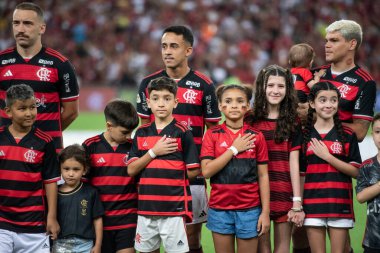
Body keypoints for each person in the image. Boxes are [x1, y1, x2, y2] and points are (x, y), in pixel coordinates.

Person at [136, 25, 221, 253]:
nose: (167, 51)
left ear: (188, 50)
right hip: (157, 174)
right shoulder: (148, 84)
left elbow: (213, 130)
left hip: (192, 171)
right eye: (164, 46)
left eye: (174, 46)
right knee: (151, 236)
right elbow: (144, 128)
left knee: (192, 239)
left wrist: (204, 164)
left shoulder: (204, 85)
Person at [127, 76, 201, 253]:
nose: (161, 103)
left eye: (167, 99)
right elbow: (131, 169)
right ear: (148, 102)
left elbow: (193, 171)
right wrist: (154, 152)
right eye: (155, 98)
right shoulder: (141, 133)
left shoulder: (182, 132)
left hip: (173, 209)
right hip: (146, 209)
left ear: (175, 102)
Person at [0, 2, 79, 152]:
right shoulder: (1, 62)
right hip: (7, 151)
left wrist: (43, 136)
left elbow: (71, 112)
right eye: (16, 23)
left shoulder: (61, 64)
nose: (20, 29)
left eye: (28, 23)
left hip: (47, 152)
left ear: (42, 28)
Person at [200, 84, 270, 253]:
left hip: (250, 210)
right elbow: (207, 171)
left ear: (247, 106)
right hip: (220, 210)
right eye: (228, 101)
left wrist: (265, 212)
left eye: (240, 101)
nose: (234, 105)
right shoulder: (212, 134)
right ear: (220, 106)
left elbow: (263, 176)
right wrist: (234, 149)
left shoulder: (256, 136)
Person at [245, 65, 304, 253]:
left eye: (280, 86)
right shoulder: (250, 119)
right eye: (271, 85)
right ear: (262, 87)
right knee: (263, 249)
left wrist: (296, 201)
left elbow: (294, 162)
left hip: (283, 191)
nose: (275, 91)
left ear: (288, 90)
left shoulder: (293, 121)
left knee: (282, 248)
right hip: (257, 194)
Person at [302, 81, 361, 253]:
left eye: (333, 100)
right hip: (312, 205)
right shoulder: (304, 133)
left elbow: (357, 172)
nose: (329, 104)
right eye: (323, 100)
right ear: (312, 103)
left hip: (339, 203)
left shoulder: (348, 134)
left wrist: (327, 157)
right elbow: (300, 172)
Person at [0, 84, 60, 252]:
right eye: (22, 108)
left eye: (33, 107)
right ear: (8, 111)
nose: (29, 113)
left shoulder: (45, 142)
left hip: (34, 225)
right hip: (2, 222)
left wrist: (52, 217)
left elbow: (50, 181)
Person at [82, 99, 139, 253]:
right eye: (125, 132)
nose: (129, 136)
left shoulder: (134, 147)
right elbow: (83, 185)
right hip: (99, 221)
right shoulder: (90, 146)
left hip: (128, 218)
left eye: (131, 132)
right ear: (109, 126)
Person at [314, 20, 376, 142]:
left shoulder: (365, 82)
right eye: (327, 40)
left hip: (340, 156)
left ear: (352, 44)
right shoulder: (314, 74)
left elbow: (360, 132)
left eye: (334, 40)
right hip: (307, 155)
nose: (327, 45)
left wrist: (317, 119)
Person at [53, 144, 104, 253]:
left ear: (84, 170)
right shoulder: (54, 193)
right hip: (60, 243)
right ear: (60, 168)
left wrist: (98, 244)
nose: (70, 174)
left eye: (76, 169)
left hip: (85, 244)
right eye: (66, 169)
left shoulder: (91, 192)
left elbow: (97, 219)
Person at [356, 113, 380, 253]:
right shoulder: (367, 166)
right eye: (378, 132)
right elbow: (360, 196)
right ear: (372, 135)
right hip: (373, 241)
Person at [289, 43, 325, 124]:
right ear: (310, 62)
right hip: (301, 96)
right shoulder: (305, 71)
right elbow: (313, 86)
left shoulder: (290, 71)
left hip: (290, 94)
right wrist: (317, 77)